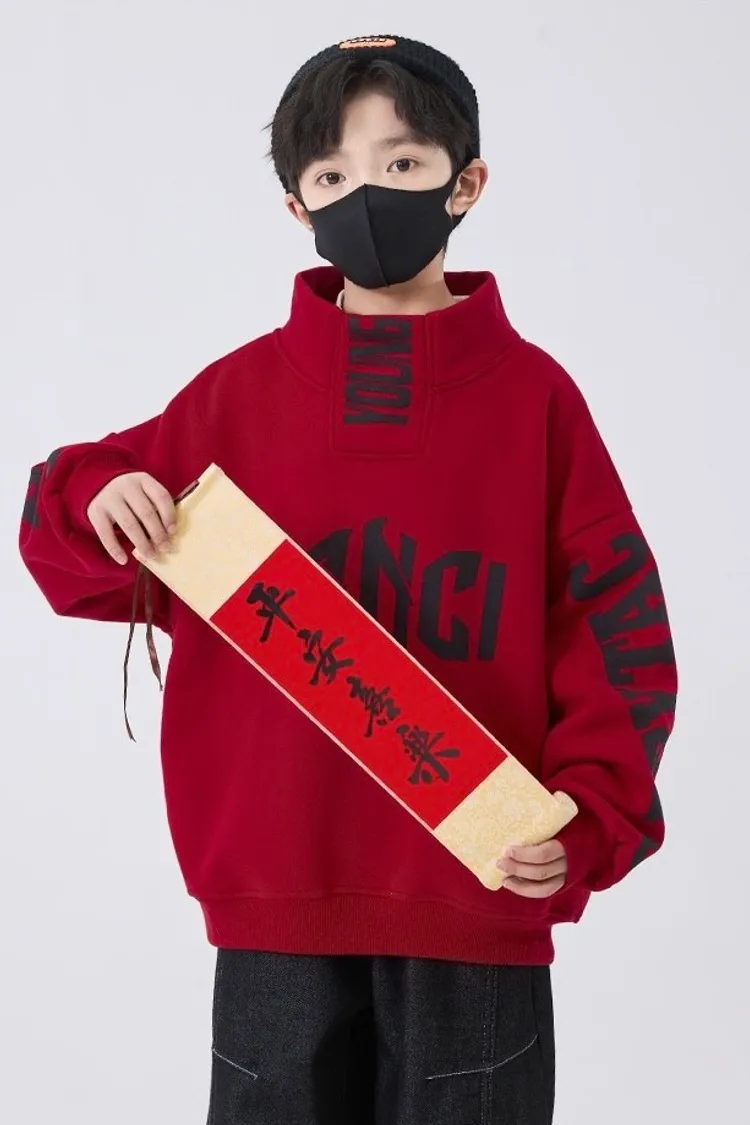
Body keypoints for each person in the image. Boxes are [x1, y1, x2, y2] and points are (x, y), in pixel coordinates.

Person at [19, 34, 678, 1125]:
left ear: (467, 181)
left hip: (478, 888)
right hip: (274, 901)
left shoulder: (536, 403)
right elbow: (72, 533)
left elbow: (619, 631)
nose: (366, 195)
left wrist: (592, 820)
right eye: (331, 176)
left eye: (402, 163)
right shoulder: (235, 399)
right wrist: (99, 494)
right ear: (296, 206)